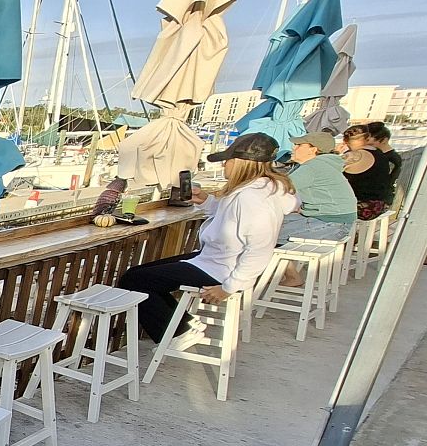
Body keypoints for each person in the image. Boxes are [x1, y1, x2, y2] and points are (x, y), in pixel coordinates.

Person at [117, 132, 298, 344]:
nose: (224, 165)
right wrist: (206, 201)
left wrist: (229, 287)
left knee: (134, 280)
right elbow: (233, 216)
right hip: (216, 259)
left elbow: (260, 248)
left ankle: (178, 333)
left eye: (227, 161)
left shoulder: (251, 197)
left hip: (223, 269)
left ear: (240, 162)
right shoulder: (264, 188)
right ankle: (183, 324)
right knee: (137, 275)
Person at [279, 131, 357, 286]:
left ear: (313, 149)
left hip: (331, 224)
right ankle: (278, 273)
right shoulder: (324, 164)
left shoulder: (313, 167)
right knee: (269, 227)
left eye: (299, 145)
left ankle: (289, 276)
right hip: (337, 221)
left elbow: (279, 188)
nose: (294, 148)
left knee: (263, 234)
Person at [341, 124, 397, 220]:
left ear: (345, 141)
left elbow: (328, 172)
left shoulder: (352, 156)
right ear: (367, 137)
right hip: (380, 204)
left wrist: (335, 152)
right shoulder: (380, 154)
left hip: (361, 207)